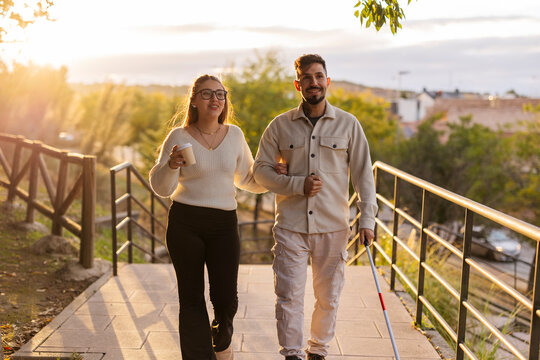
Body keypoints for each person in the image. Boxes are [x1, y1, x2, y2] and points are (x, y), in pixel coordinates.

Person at [149, 74, 286, 360]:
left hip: (223, 224)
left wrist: (274, 175)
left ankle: (221, 335)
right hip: (185, 221)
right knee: (191, 297)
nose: (215, 99)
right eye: (208, 94)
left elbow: (248, 178)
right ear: (195, 100)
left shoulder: (234, 135)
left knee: (225, 299)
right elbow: (161, 187)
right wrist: (172, 165)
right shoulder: (179, 137)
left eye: (220, 94)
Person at [253, 54, 378, 360]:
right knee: (288, 296)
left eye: (319, 76)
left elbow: (364, 174)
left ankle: (317, 352)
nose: (314, 83)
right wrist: (296, 184)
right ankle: (292, 354)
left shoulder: (349, 124)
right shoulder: (279, 126)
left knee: (328, 298)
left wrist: (367, 220)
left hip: (333, 226)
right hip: (290, 226)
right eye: (307, 78)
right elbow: (260, 171)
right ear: (298, 84)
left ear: (328, 81)